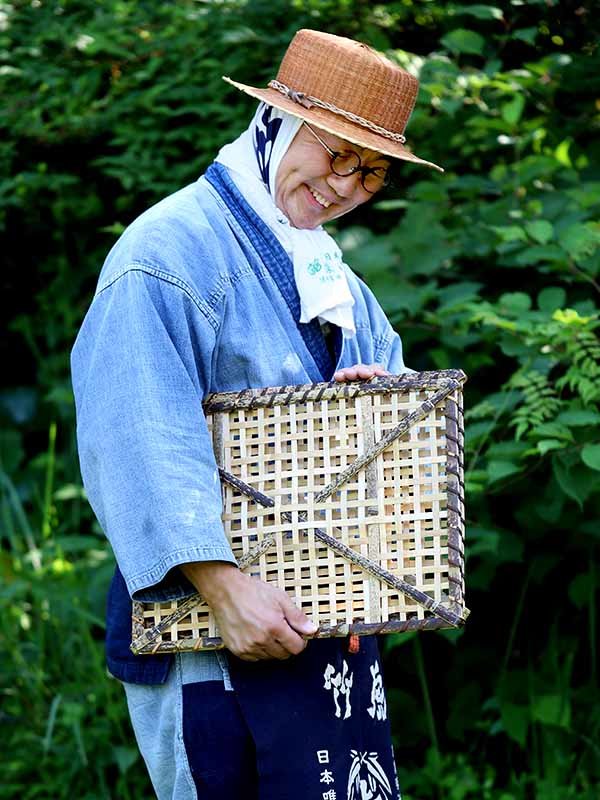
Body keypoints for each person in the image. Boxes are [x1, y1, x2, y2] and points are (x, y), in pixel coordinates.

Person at [71, 28, 444, 800]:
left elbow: (400, 435)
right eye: (337, 153)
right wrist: (222, 588)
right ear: (274, 121)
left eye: (371, 172)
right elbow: (136, 434)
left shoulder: (333, 277)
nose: (346, 186)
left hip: (330, 634)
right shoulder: (167, 253)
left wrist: (367, 409)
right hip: (211, 632)